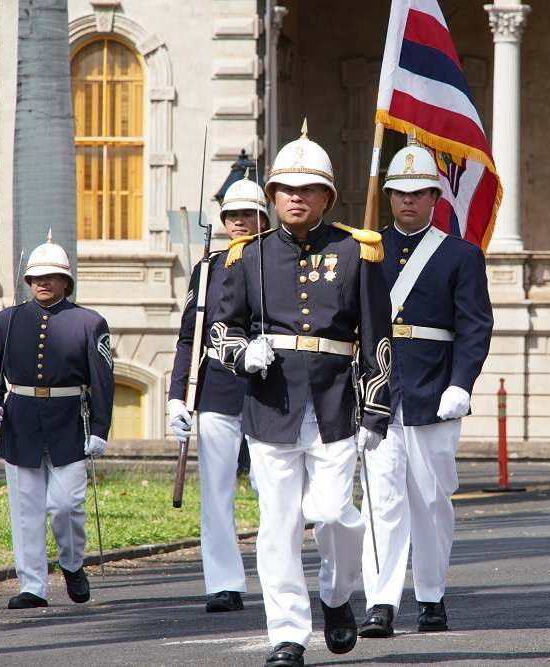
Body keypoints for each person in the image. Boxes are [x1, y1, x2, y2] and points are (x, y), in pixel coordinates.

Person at [210, 121, 393, 667]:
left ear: (325, 198)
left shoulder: (358, 253)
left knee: (336, 514)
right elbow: (222, 332)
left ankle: (337, 595)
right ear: (272, 196)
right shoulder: (248, 256)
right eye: (285, 189)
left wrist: (376, 409)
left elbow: (377, 338)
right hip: (271, 405)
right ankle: (287, 634)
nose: (295, 197)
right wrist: (243, 354)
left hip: (336, 404)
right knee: (279, 525)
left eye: (306, 189)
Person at [357, 141, 493, 638]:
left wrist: (461, 383)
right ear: (389, 196)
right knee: (381, 501)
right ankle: (380, 602)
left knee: (432, 501)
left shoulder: (460, 255)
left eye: (418, 194)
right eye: (399, 193)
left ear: (436, 198)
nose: (407, 202)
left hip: (434, 392)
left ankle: (431, 595)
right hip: (377, 393)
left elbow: (475, 326)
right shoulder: (365, 250)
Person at [0, 233, 114, 609]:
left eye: (52, 276)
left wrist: (100, 429)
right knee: (26, 510)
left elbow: (102, 380)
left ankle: (72, 563)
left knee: (67, 504)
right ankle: (32, 586)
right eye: (37, 277)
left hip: (70, 422)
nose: (43, 282)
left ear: (66, 282)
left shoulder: (89, 322)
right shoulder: (6, 321)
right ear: (28, 281)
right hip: (20, 423)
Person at [166, 173, 269, 613]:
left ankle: (278, 575)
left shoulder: (277, 259)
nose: (240, 221)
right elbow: (190, 337)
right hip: (217, 389)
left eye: (248, 213)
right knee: (216, 493)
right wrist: (176, 396)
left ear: (264, 217)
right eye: (232, 214)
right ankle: (224, 582)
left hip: (270, 387)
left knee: (275, 490)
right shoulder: (207, 267)